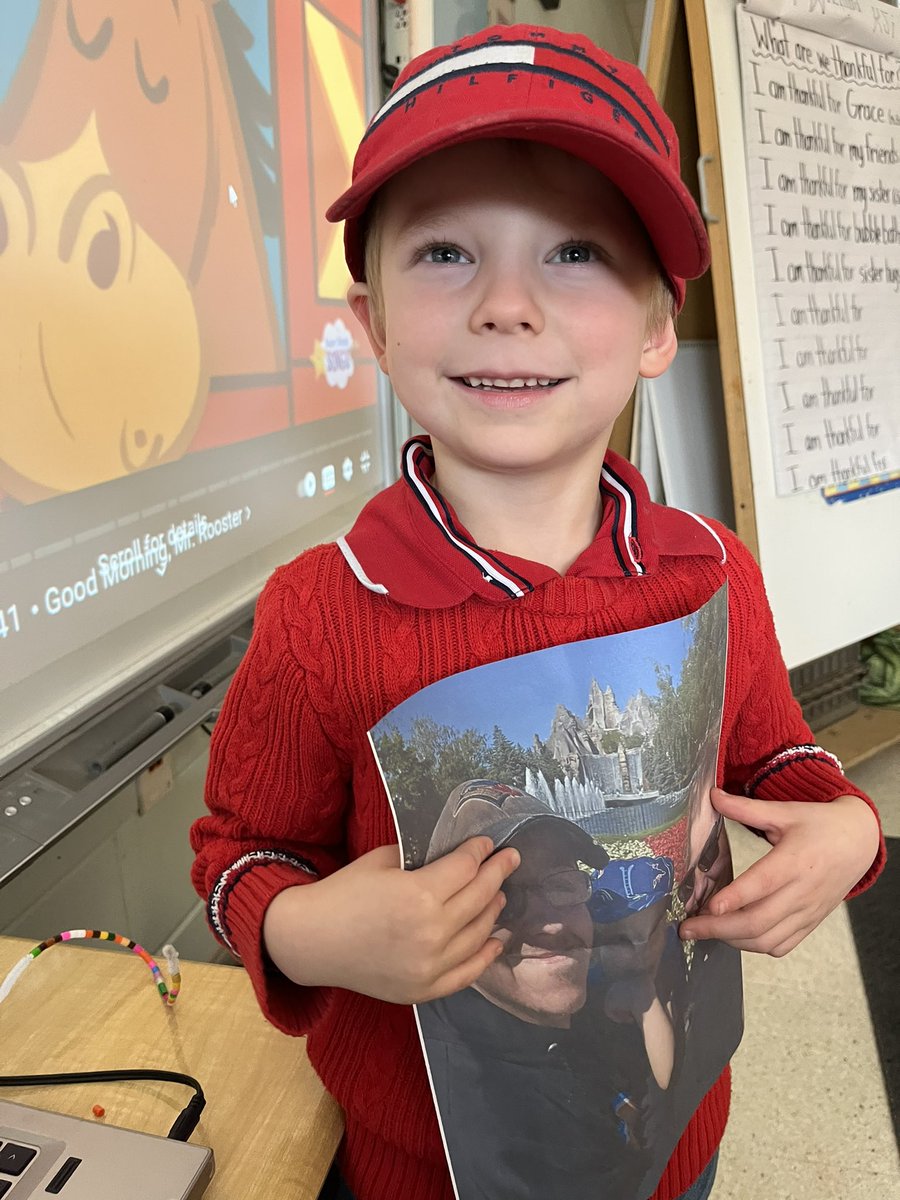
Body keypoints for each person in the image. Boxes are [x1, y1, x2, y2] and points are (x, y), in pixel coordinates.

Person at [190, 23, 885, 1200]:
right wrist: (314, 935)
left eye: (574, 253)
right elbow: (237, 858)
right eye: (447, 253)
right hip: (430, 1170)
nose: (507, 304)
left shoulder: (713, 572)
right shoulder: (319, 616)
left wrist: (851, 832)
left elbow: (781, 757)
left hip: (671, 1138)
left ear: (661, 326)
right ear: (373, 325)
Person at [418, 781, 653, 1199]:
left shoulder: (573, 1005)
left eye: (563, 884)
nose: (554, 924)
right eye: (500, 898)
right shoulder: (491, 1127)